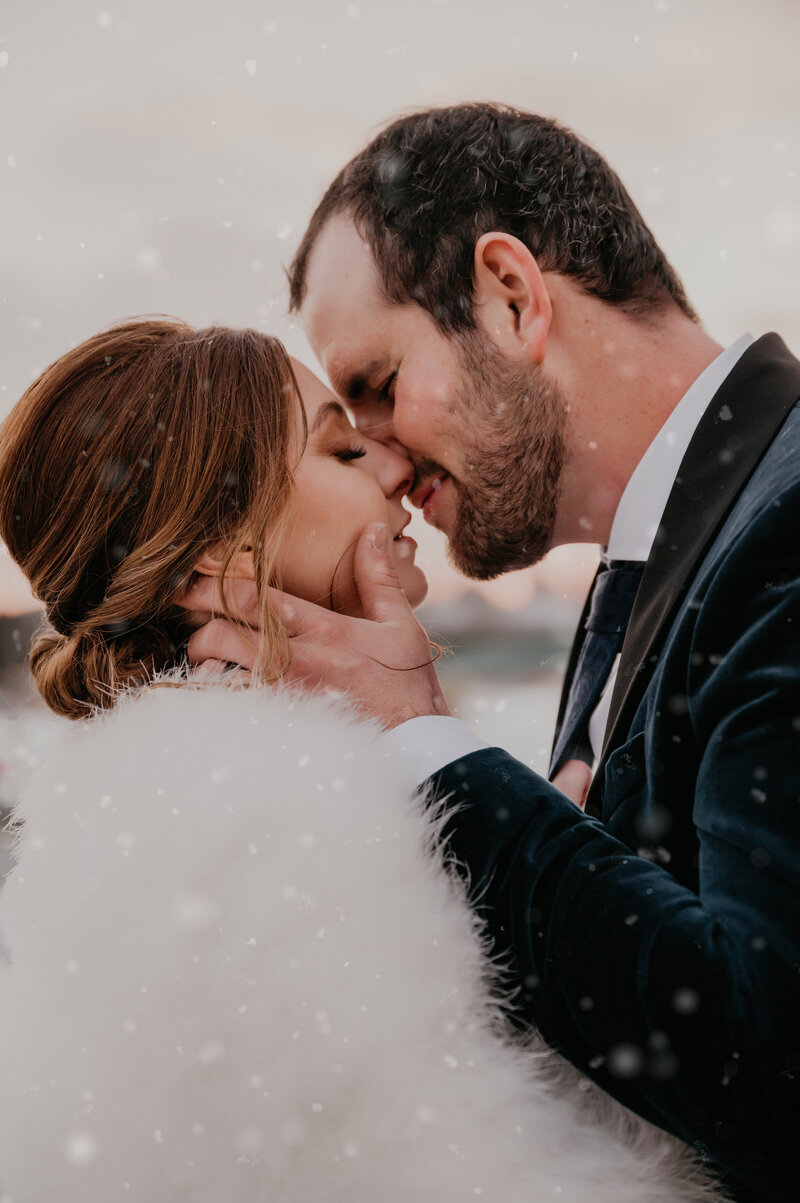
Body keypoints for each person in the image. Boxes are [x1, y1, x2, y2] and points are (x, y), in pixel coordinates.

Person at [184, 104, 800, 1203]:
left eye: (374, 385)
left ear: (509, 296)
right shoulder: (658, 562)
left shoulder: (787, 525)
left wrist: (427, 748)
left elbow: (774, 1056)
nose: (374, 459)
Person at [0, 318, 719, 1201]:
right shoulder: (275, 817)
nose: (394, 468)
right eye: (343, 451)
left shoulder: (162, 796)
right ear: (221, 557)